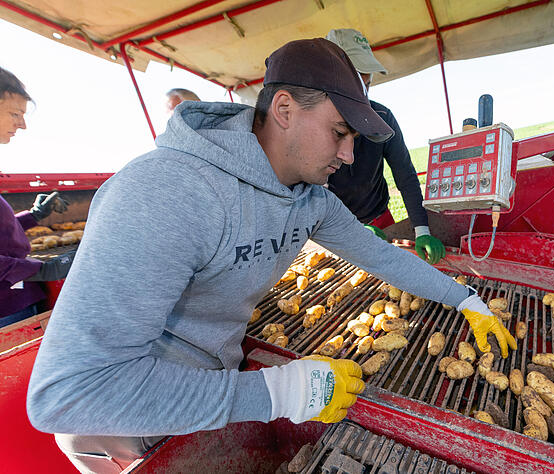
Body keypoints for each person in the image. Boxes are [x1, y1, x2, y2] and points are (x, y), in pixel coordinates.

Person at [27, 39, 515, 473]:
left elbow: (380, 256)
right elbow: (68, 394)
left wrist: (464, 299)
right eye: (339, 132)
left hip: (215, 394)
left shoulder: (311, 200)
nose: (349, 155)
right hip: (129, 432)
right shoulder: (166, 192)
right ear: (284, 109)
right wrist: (278, 393)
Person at [325, 28, 446, 264]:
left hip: (380, 220)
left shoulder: (382, 118)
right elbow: (311, 193)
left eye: (367, 85)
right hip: (335, 228)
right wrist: (350, 230)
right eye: (355, 84)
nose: (362, 95)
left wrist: (422, 229)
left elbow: (405, 175)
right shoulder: (313, 123)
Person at [0, 66, 73, 326]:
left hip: (19, 295)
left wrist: (34, 216)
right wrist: (41, 268)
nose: (23, 124)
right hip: (7, 307)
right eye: (15, 114)